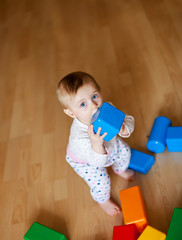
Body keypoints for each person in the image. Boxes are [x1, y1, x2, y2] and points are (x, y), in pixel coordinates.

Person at [56, 71, 135, 216]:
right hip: (87, 160)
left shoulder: (106, 108)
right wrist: (96, 144)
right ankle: (103, 202)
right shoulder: (79, 137)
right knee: (101, 182)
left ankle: (120, 169)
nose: (93, 106)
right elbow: (97, 162)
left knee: (125, 151)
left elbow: (128, 119)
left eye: (94, 96)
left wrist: (124, 128)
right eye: (83, 104)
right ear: (71, 113)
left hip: (111, 147)